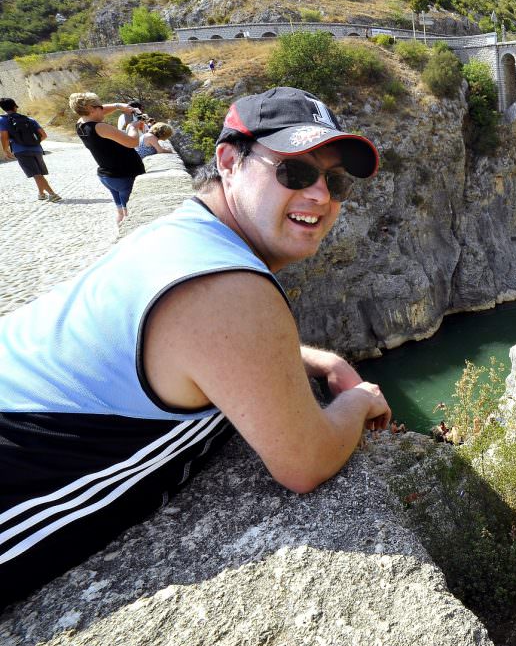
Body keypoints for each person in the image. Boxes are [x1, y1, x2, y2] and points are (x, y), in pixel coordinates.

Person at [0, 86, 388, 608]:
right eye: (295, 172)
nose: (320, 195)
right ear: (229, 160)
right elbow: (306, 461)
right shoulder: (224, 288)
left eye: (335, 181)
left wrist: (318, 358)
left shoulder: (181, 238)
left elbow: (208, 349)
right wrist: (359, 399)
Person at [70, 92, 148, 225]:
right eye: (99, 106)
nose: (103, 109)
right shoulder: (100, 127)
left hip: (108, 176)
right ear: (91, 109)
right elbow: (132, 142)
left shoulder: (81, 123)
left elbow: (101, 110)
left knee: (120, 213)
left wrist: (118, 106)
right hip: (123, 175)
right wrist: (132, 127)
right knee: (130, 215)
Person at [0, 97, 61, 202]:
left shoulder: (2, 120)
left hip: (20, 150)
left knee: (36, 174)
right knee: (38, 173)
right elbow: (44, 135)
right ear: (15, 107)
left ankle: (52, 194)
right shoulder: (29, 119)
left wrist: (6, 150)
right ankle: (41, 194)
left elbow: (4, 136)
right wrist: (34, 143)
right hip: (37, 149)